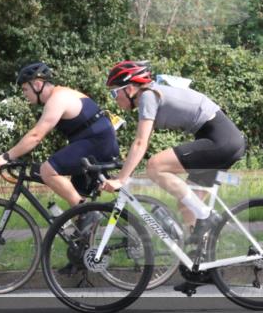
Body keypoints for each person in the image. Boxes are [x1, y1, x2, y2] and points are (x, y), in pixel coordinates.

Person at [100, 60, 246, 246]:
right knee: (187, 205)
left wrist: (121, 179)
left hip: (220, 140)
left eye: (115, 92)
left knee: (155, 166)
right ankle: (202, 262)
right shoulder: (152, 94)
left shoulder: (147, 97)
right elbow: (142, 141)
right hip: (224, 140)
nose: (114, 98)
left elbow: (140, 142)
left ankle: (206, 215)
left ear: (129, 89)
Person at [0, 61, 119, 214]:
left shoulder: (57, 99)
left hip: (97, 144)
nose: (24, 94)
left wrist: (6, 156)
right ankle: (85, 224)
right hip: (97, 143)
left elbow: (36, 135)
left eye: (25, 89)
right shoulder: (61, 94)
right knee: (78, 201)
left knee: (47, 170)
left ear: (37, 84)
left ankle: (85, 214)